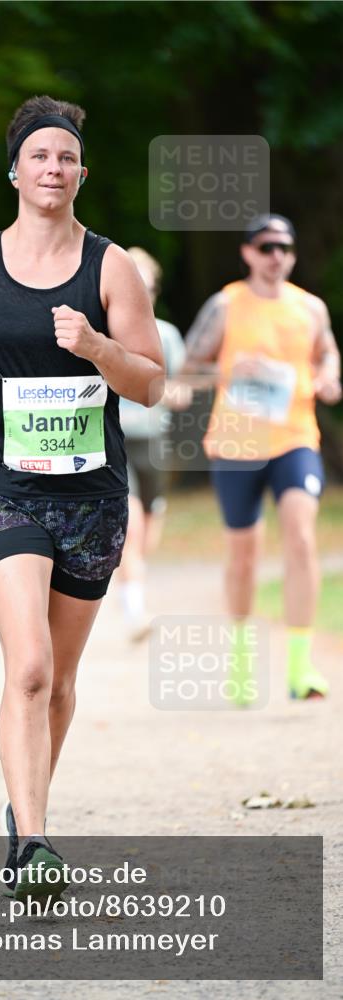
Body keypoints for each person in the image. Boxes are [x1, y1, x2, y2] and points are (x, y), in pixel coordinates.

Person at [0, 95, 164, 899]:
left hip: (91, 497)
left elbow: (153, 383)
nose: (52, 168)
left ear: (80, 173)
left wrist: (95, 346)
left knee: (57, 682)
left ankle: (22, 810)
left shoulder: (110, 266)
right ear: (14, 170)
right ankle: (34, 847)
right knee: (27, 668)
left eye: (65, 157)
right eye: (39, 156)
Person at [183, 214, 341, 702]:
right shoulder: (225, 305)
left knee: (300, 537)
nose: (278, 257)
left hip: (295, 437)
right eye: (268, 247)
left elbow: (327, 352)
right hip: (237, 443)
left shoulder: (309, 307)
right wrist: (231, 371)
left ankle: (300, 669)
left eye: (286, 249)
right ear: (248, 253)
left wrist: (328, 376)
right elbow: (187, 369)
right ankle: (241, 666)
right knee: (244, 554)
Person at [115, 248, 191, 640]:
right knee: (130, 528)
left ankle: (128, 580)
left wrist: (175, 393)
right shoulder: (106, 331)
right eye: (135, 285)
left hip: (155, 440)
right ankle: (134, 608)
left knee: (149, 532)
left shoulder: (168, 335)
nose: (144, 293)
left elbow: (181, 384)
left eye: (150, 286)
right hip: (116, 439)